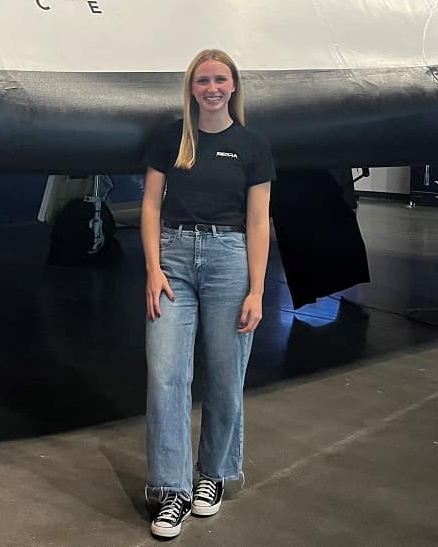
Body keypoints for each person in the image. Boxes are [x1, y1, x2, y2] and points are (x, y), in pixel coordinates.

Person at [140, 48, 275, 539]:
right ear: (191, 88)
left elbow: (258, 221)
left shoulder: (253, 146)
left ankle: (212, 475)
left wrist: (257, 289)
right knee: (166, 376)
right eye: (203, 81)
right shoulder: (171, 138)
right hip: (173, 259)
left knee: (224, 378)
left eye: (220, 80)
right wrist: (153, 269)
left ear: (233, 86)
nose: (212, 88)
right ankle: (172, 489)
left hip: (229, 261)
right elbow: (150, 205)